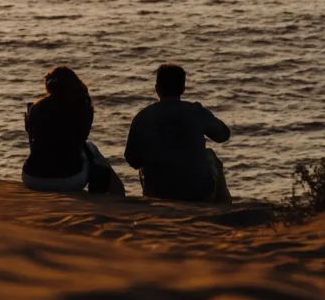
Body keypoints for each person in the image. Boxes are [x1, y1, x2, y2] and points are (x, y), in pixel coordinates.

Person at [125, 64, 231, 203]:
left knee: (146, 161)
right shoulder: (196, 111)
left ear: (157, 88)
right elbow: (223, 135)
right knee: (210, 155)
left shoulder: (143, 116)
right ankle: (223, 208)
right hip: (198, 194)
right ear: (183, 89)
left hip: (157, 193)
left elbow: (131, 158)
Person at [22, 66, 125, 196]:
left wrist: (30, 129)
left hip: (32, 178)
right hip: (71, 178)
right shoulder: (82, 105)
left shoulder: (37, 107)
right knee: (92, 150)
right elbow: (80, 140)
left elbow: (35, 147)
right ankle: (107, 197)